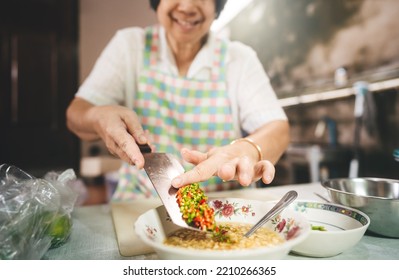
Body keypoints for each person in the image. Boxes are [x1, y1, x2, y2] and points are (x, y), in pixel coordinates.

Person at [66, 0, 290, 200]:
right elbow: (77, 113)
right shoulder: (129, 45)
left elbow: (277, 128)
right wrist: (99, 117)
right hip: (143, 202)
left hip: (225, 206)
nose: (187, 6)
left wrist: (247, 150)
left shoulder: (239, 58)